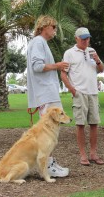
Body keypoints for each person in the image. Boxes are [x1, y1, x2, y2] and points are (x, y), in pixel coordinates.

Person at [26, 15, 70, 177]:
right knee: (48, 131)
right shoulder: (38, 42)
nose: (55, 31)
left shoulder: (40, 43)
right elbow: (37, 66)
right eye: (53, 27)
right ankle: (47, 165)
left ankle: (48, 162)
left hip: (46, 92)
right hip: (46, 93)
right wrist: (57, 66)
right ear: (44, 27)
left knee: (50, 130)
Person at [61, 27, 104, 166]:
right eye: (83, 38)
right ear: (76, 39)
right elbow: (63, 74)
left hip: (93, 92)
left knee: (94, 124)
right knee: (80, 124)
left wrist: (97, 60)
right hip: (79, 93)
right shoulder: (69, 53)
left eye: (88, 38)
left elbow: (101, 69)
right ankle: (83, 155)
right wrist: (72, 90)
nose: (86, 41)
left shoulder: (92, 51)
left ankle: (93, 153)